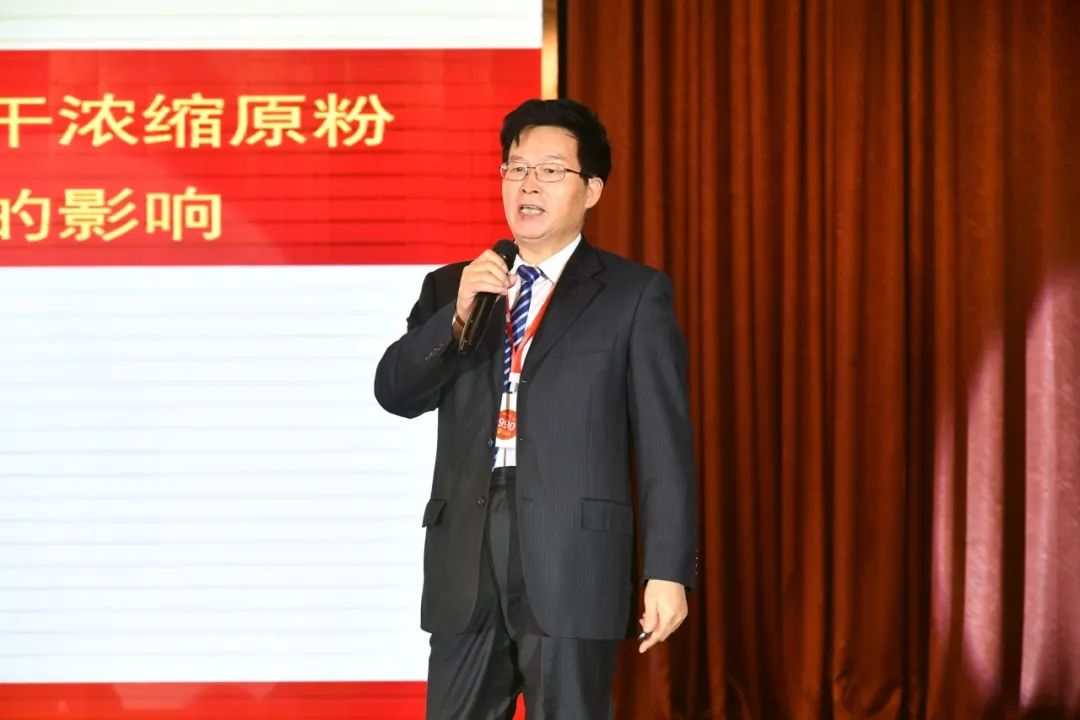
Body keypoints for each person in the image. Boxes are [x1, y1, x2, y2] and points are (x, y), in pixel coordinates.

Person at [374, 98, 696, 719]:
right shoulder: (455, 286)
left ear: (591, 190)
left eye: (550, 170)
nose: (528, 185)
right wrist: (455, 318)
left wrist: (668, 569)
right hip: (466, 552)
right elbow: (395, 392)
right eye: (516, 168)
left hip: (573, 553)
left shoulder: (632, 295)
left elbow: (665, 444)